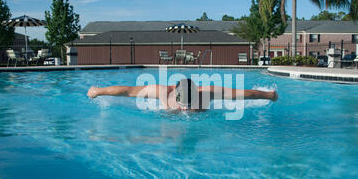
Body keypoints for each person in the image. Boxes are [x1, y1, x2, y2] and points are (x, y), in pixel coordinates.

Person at [87, 78, 278, 111]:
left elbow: (243, 94)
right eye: (183, 103)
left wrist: (269, 95)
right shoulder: (162, 92)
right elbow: (128, 91)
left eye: (190, 102)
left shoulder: (207, 93)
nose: (186, 107)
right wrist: (98, 91)